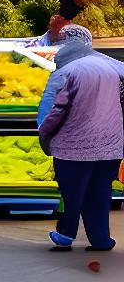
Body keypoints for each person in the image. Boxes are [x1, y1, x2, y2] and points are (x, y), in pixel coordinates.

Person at [38, 25, 123, 252]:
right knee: (100, 192)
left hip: (73, 148)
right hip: (110, 147)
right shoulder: (115, 66)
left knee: (73, 194)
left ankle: (65, 235)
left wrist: (44, 134)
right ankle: (100, 239)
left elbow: (55, 110)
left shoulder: (66, 71)